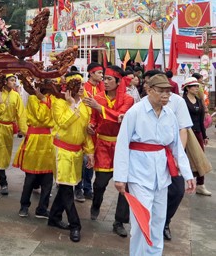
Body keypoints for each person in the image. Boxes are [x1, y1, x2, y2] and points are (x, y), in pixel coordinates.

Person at [113, 74, 195, 256]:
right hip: (138, 174)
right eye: (161, 91)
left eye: (168, 91)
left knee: (158, 220)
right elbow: (122, 143)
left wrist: (188, 174)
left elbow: (176, 147)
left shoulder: (170, 114)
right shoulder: (135, 112)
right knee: (142, 220)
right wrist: (120, 177)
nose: (166, 95)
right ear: (149, 90)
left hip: (162, 175)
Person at [86, 65, 134, 237]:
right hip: (103, 145)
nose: (104, 82)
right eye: (104, 78)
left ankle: (119, 221)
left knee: (124, 186)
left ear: (118, 81)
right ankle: (96, 204)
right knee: (100, 183)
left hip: (121, 147)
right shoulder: (97, 97)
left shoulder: (128, 100)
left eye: (109, 79)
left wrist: (100, 109)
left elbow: (120, 117)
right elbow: (93, 118)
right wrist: (91, 126)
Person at [47, 73, 94, 243]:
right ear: (69, 87)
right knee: (67, 189)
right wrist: (72, 105)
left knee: (67, 186)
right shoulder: (59, 103)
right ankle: (75, 225)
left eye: (82, 84)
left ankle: (54, 217)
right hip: (62, 151)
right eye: (78, 85)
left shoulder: (85, 106)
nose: (82, 88)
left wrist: (90, 152)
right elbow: (62, 123)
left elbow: (86, 132)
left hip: (77, 152)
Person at [14, 79, 55, 219]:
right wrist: (43, 100)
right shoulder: (33, 98)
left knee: (48, 177)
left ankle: (42, 208)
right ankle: (24, 205)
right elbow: (41, 117)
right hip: (34, 139)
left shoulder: (53, 99)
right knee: (30, 177)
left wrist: (45, 100)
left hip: (48, 140)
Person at [0, 74, 27, 195]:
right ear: (5, 81)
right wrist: (0, 100)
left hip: (8, 129)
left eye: (14, 80)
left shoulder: (16, 96)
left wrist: (24, 131)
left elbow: (21, 114)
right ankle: (4, 183)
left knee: (3, 155)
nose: (14, 82)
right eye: (12, 80)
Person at [75, 62, 104, 202]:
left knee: (91, 159)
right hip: (83, 128)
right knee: (82, 159)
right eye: (99, 73)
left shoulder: (101, 88)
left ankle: (88, 187)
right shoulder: (83, 88)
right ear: (91, 73)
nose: (102, 76)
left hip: (95, 130)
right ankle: (78, 188)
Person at [182, 77, 211, 196]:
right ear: (187, 88)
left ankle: (200, 184)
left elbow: (201, 120)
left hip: (197, 132)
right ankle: (179, 184)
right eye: (193, 86)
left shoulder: (199, 100)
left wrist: (204, 136)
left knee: (200, 158)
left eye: (197, 86)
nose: (196, 88)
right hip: (185, 132)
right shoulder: (182, 101)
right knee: (182, 158)